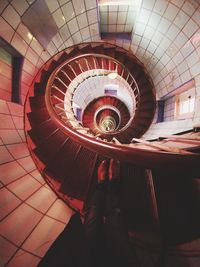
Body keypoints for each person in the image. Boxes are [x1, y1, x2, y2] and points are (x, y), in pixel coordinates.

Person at [37, 159, 140, 267]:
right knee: (115, 217)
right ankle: (112, 184)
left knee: (94, 215)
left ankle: (102, 185)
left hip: (81, 258)